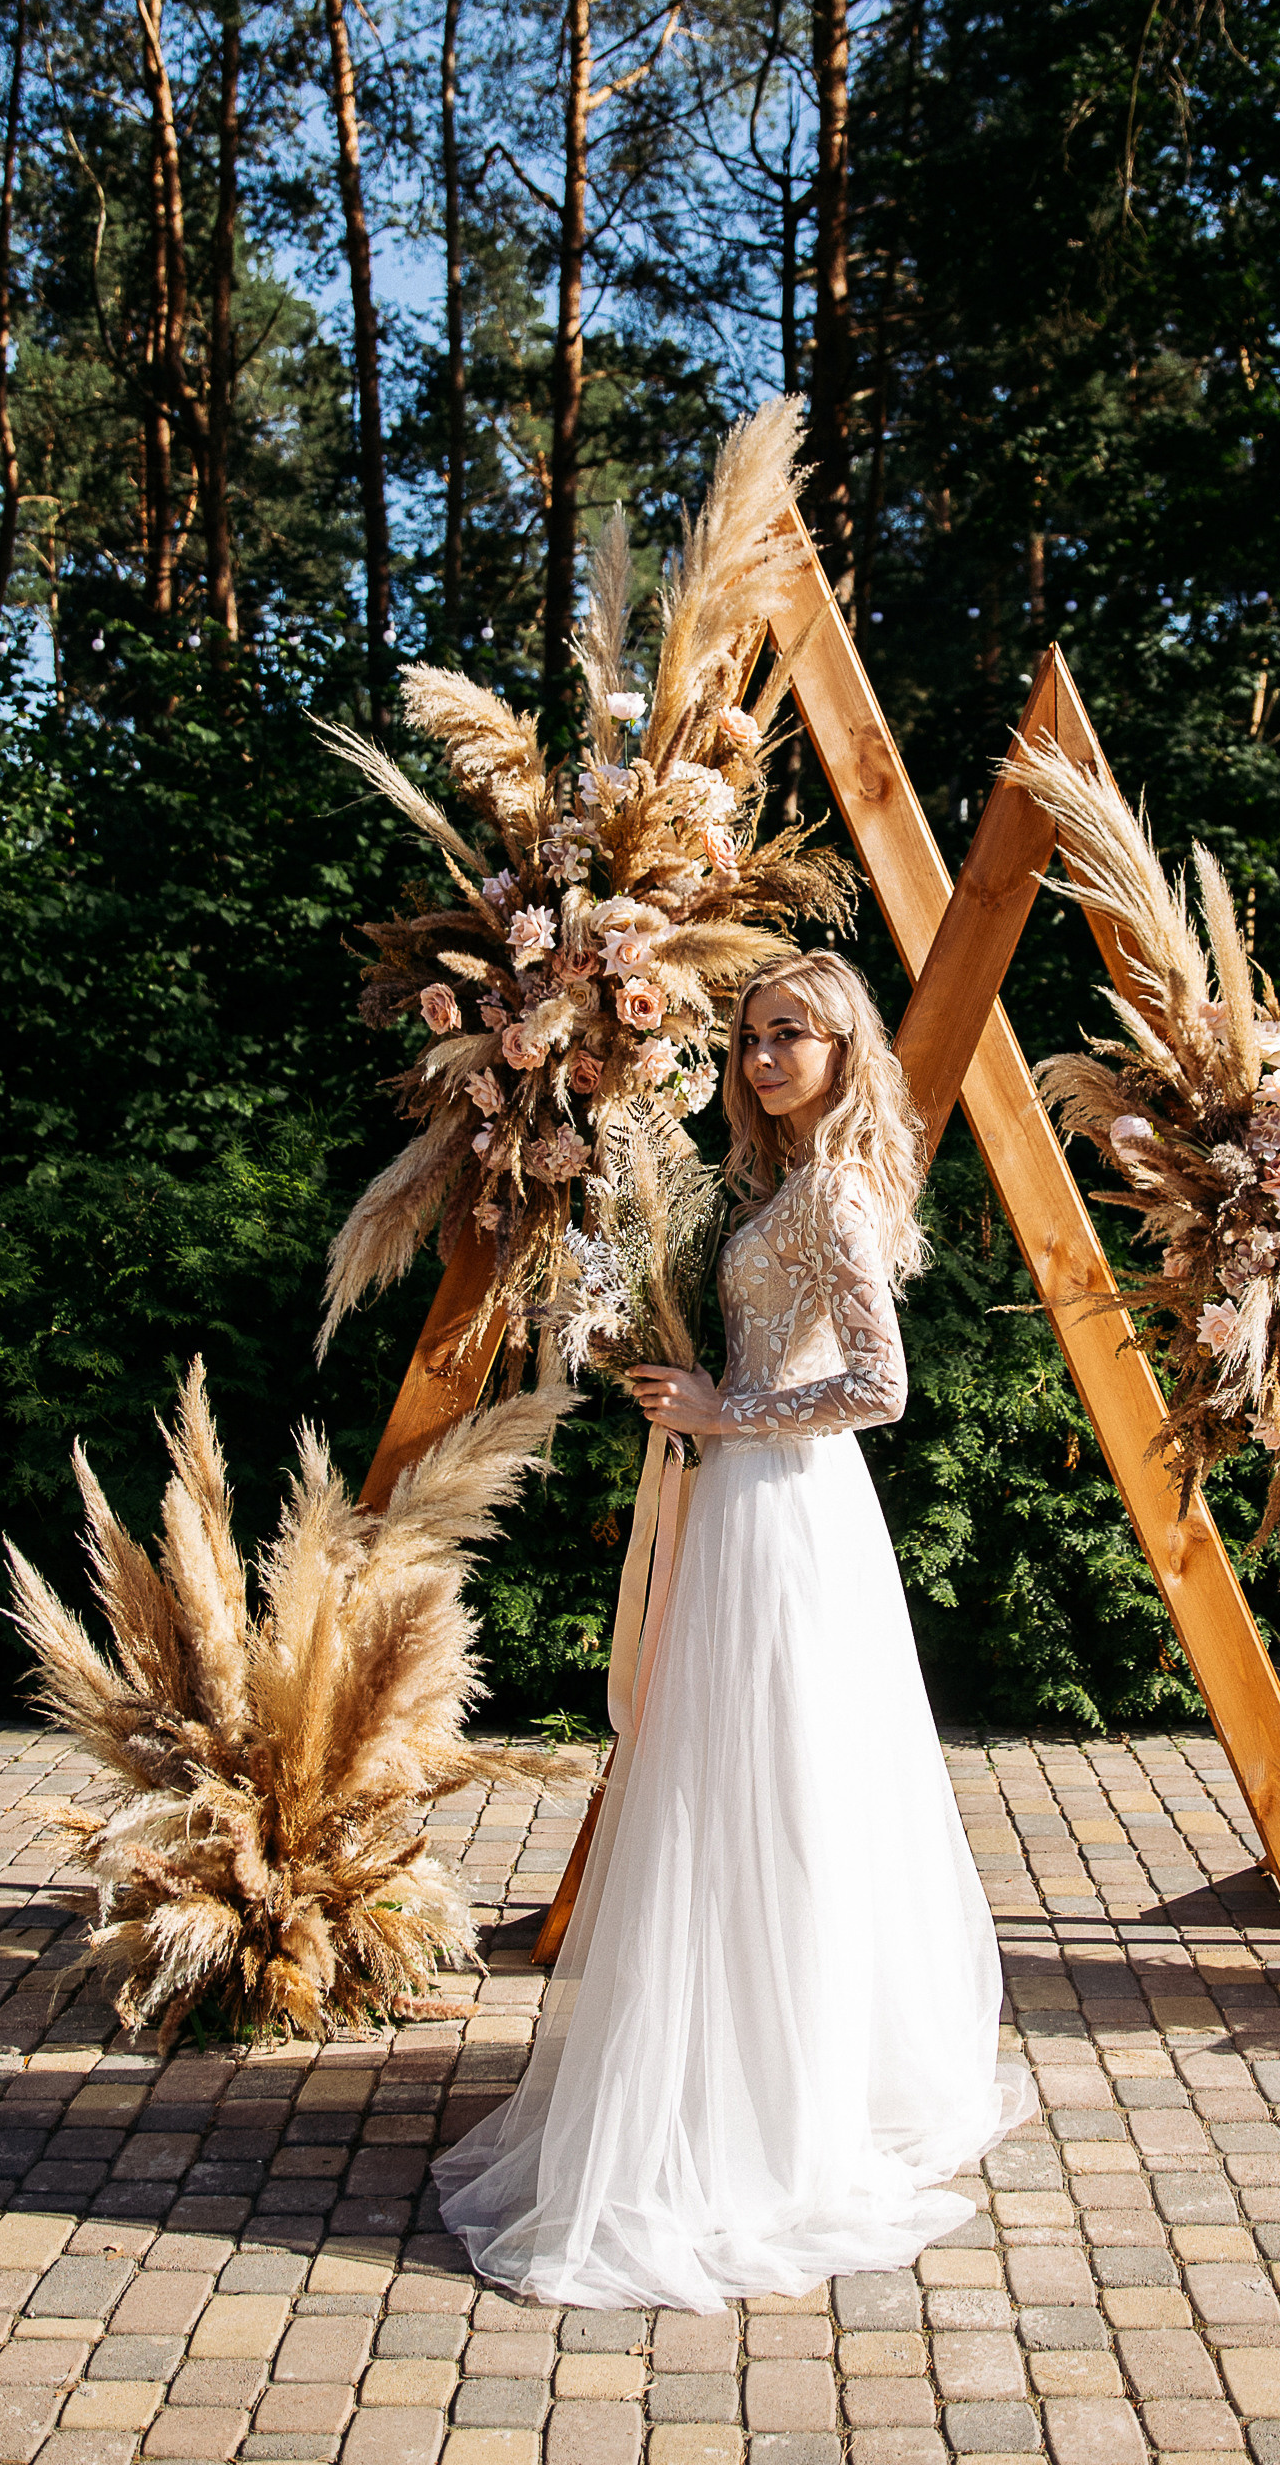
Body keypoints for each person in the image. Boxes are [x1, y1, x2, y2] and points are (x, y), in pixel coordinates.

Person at [433, 953, 1033, 2309]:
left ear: (843, 1050)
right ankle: (739, 2068)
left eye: (792, 1036)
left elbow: (880, 1389)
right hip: (753, 1506)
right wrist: (697, 1402)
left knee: (778, 1792)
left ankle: (780, 2099)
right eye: (754, 1036)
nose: (764, 1058)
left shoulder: (829, 1192)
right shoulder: (774, 1185)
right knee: (735, 1785)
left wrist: (727, 1414)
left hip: (794, 1510)